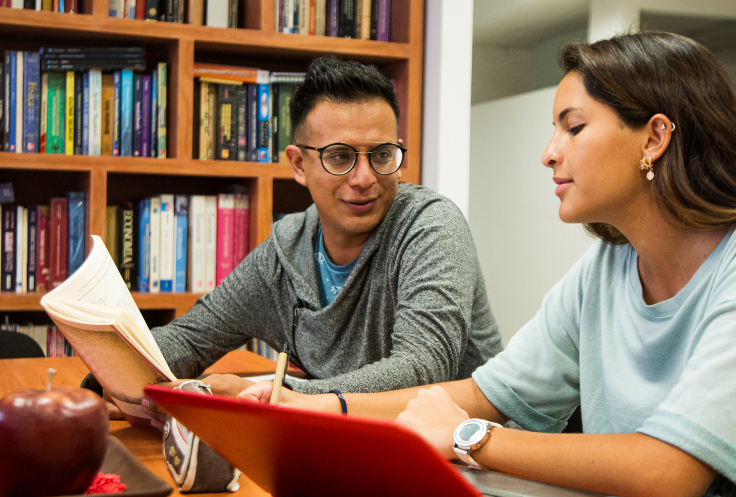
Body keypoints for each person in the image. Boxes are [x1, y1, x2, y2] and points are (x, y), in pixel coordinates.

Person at [241, 33, 736, 497]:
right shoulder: (605, 268)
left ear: (653, 138)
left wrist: (465, 436)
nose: (549, 154)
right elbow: (488, 390)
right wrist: (323, 407)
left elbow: (670, 470)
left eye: (575, 127)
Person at [130, 55, 503, 424]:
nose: (363, 178)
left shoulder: (430, 227)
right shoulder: (284, 254)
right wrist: (114, 377)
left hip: (474, 461)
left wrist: (278, 396)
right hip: (348, 447)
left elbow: (424, 370)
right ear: (298, 164)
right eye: (339, 157)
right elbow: (191, 338)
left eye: (382, 154)